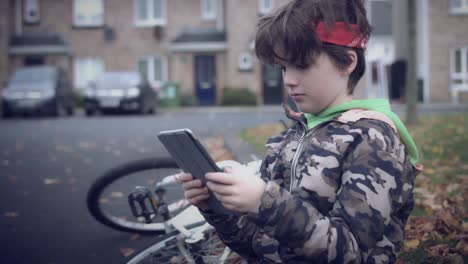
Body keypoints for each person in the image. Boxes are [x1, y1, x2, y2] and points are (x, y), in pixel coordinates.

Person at [177, 0, 423, 262]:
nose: (288, 79)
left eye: (302, 65)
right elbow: (256, 245)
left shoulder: (372, 141)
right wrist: (216, 208)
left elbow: (349, 252)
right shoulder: (287, 139)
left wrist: (265, 201)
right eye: (283, 67)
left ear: (347, 62)